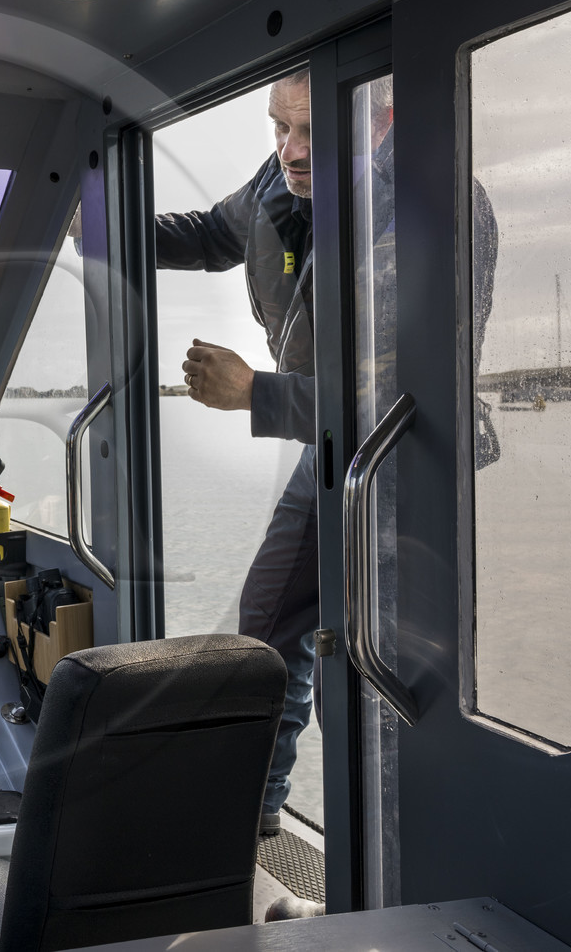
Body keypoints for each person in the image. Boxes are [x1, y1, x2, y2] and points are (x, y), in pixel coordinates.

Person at [154, 72, 318, 836]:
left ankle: (397, 870)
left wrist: (256, 393)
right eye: (278, 126)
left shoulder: (426, 205)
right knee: (273, 615)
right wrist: (100, 220)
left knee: (391, 661)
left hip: (411, 462)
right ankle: (253, 812)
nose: (289, 150)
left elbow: (409, 399)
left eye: (309, 131)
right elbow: (211, 235)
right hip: (334, 451)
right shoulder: (275, 182)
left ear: (380, 111)